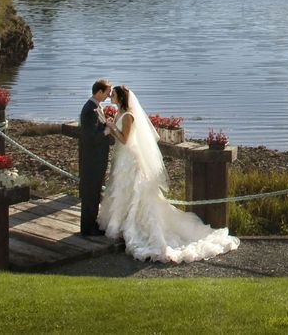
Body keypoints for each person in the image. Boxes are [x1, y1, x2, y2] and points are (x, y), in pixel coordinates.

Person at [98, 84, 240, 263]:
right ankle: (121, 222)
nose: (111, 96)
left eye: (114, 94)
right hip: (123, 158)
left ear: (120, 97)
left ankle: (134, 226)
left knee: (135, 192)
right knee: (122, 190)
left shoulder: (128, 116)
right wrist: (112, 125)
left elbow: (125, 139)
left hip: (130, 159)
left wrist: (112, 128)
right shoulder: (121, 112)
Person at [78, 79, 112, 237]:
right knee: (90, 193)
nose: (108, 95)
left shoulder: (96, 107)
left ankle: (91, 224)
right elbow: (91, 137)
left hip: (96, 159)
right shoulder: (90, 110)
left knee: (95, 192)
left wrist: (106, 125)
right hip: (92, 160)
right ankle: (87, 228)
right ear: (99, 92)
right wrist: (107, 131)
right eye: (107, 92)